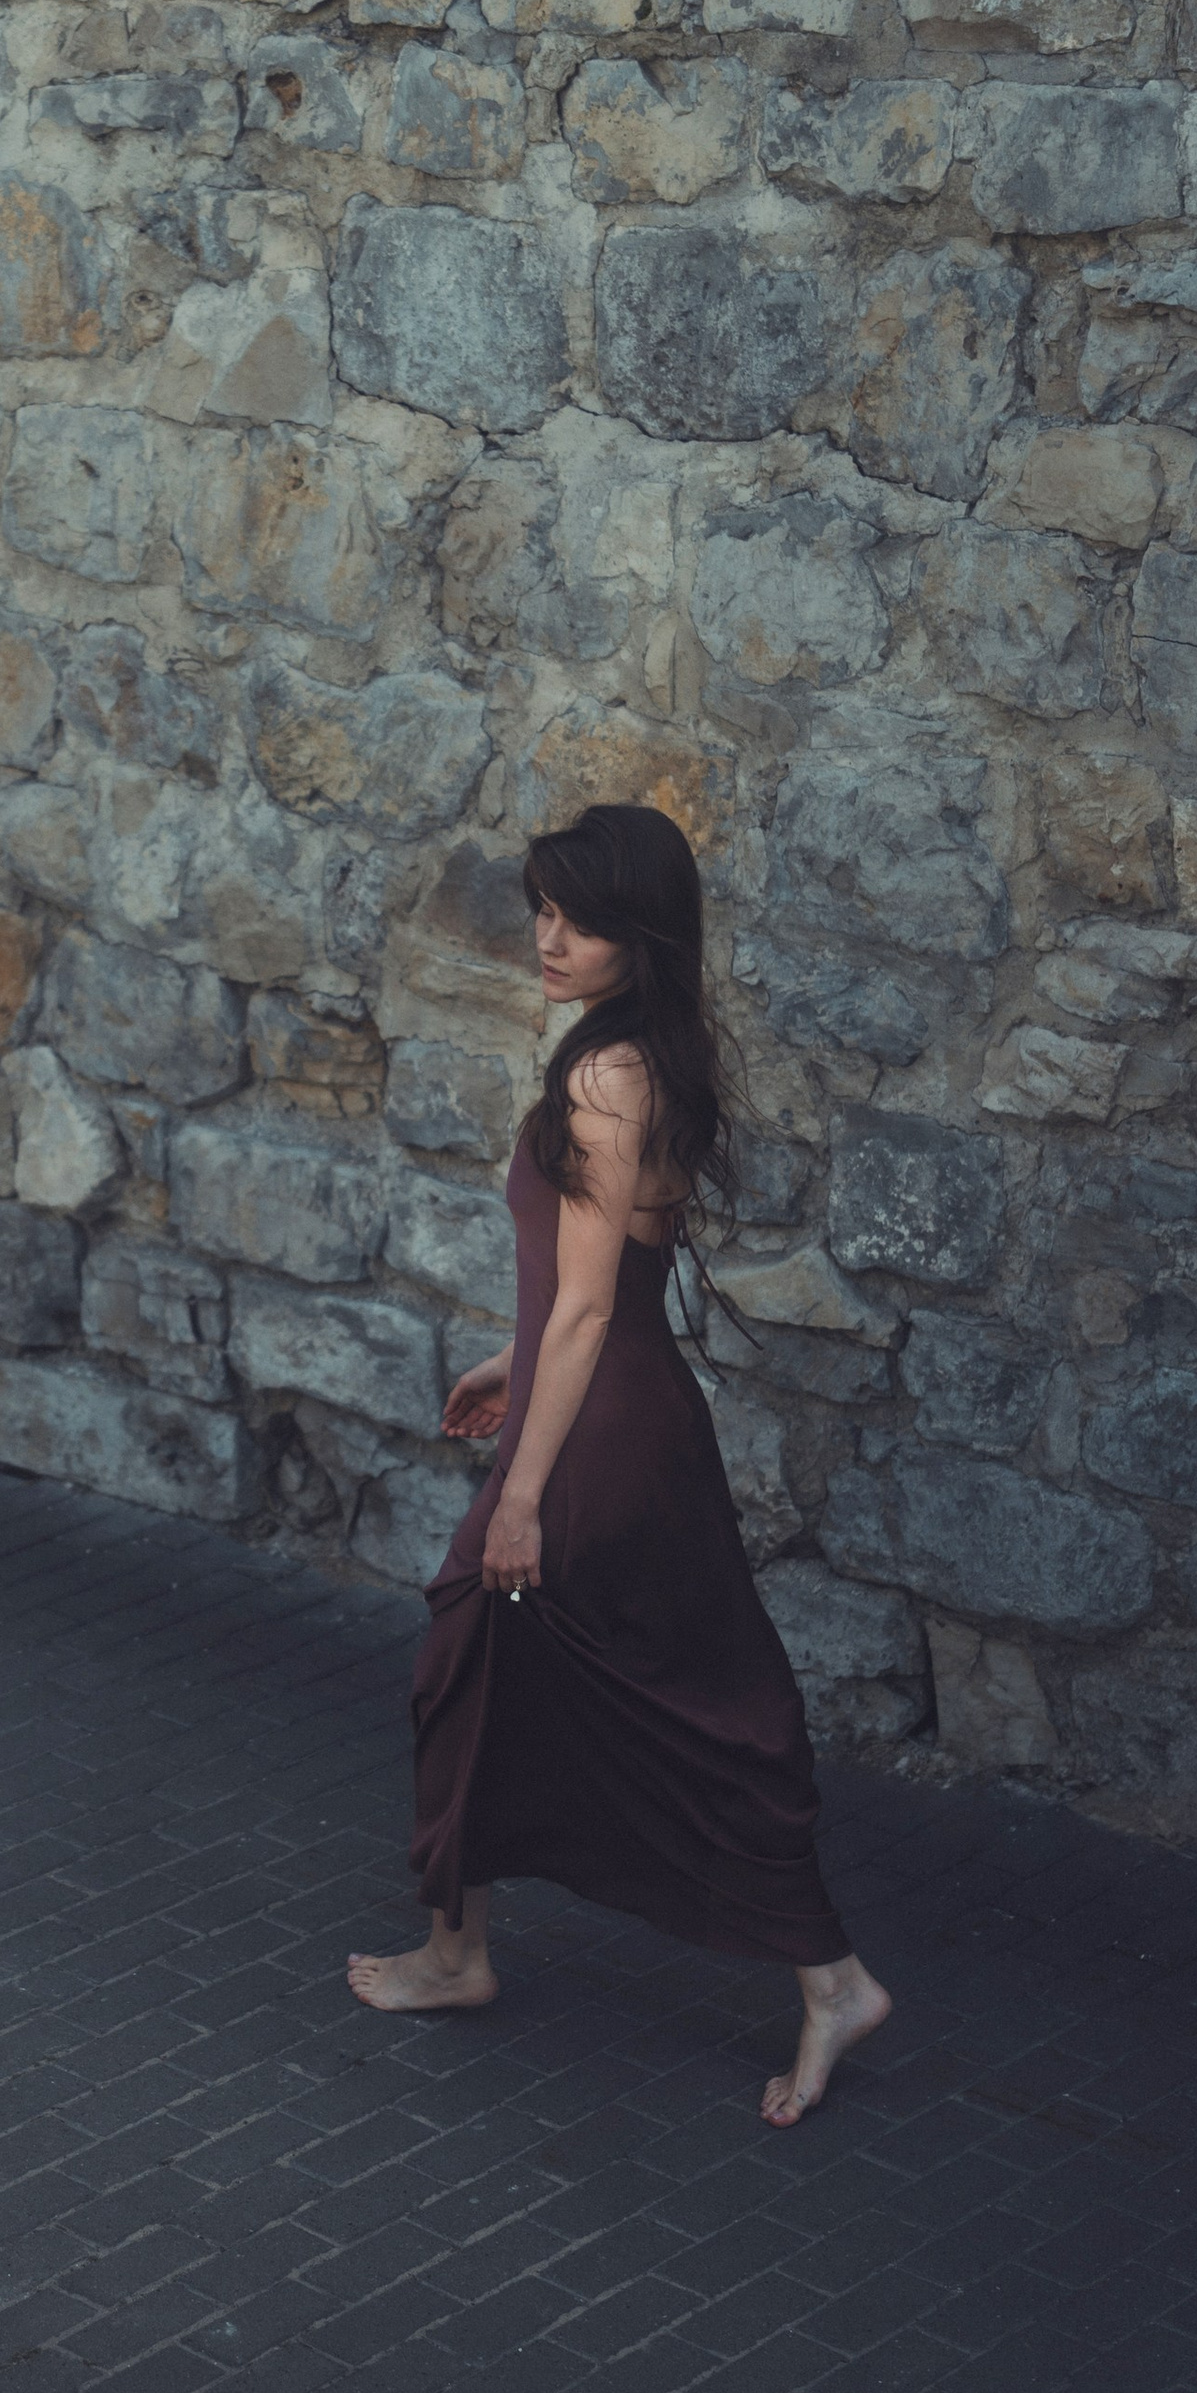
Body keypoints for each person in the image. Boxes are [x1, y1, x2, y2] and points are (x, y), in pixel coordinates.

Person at [348, 800, 891, 2129]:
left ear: (635, 935)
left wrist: (521, 1490)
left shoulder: (602, 1083)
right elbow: (590, 1293)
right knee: (567, 1675)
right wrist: (511, 1358)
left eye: (579, 921)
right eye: (541, 909)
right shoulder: (645, 1055)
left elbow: (591, 1307)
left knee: (521, 1665)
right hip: (614, 1410)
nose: (549, 938)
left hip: (599, 1440)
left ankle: (813, 1977)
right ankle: (467, 1951)